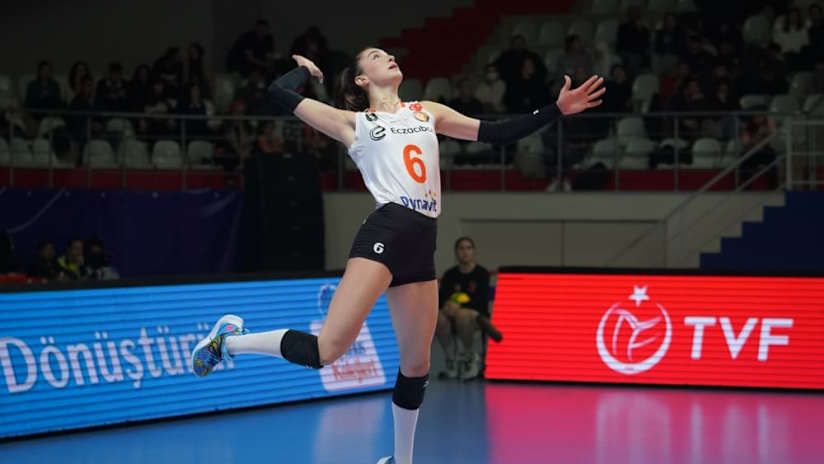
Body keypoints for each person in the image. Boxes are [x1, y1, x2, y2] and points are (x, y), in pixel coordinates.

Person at [190, 48, 604, 464]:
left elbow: (496, 132)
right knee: (326, 350)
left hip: (423, 240)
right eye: (375, 56)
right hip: (387, 230)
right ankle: (228, 343)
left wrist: (555, 109)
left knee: (417, 364)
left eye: (388, 53)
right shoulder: (353, 123)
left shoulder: (428, 111)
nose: (387, 57)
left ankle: (400, 461)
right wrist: (302, 71)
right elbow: (278, 95)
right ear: (361, 79)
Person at [435, 237, 500, 381]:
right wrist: (447, 305)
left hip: (476, 316)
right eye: (461, 248)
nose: (465, 252)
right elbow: (442, 297)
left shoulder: (481, 273)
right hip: (452, 314)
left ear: (473, 251)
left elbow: (481, 300)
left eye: (468, 248)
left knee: (462, 315)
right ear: (456, 252)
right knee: (438, 317)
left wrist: (459, 306)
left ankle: (470, 357)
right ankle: (451, 358)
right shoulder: (450, 274)